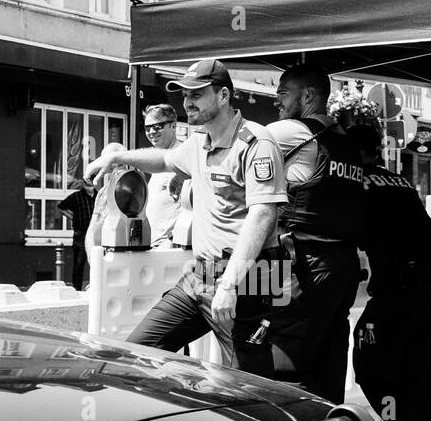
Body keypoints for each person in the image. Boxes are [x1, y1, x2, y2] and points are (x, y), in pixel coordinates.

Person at [84, 58, 288, 371]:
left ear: (223, 96)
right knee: (136, 353)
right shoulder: (199, 142)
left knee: (250, 388)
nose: (187, 102)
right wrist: (117, 157)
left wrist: (230, 285)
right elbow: (164, 159)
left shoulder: (256, 142)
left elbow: (263, 215)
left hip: (249, 277)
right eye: (184, 95)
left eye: (196, 94)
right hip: (203, 274)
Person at [266, 64, 367, 403]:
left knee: (286, 368)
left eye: (282, 93)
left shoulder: (290, 131)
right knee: (330, 364)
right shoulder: (346, 144)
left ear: (307, 95)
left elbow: (232, 150)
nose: (276, 101)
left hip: (302, 265)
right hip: (343, 268)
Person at [349, 122, 431, 421]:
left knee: (370, 358)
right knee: (420, 366)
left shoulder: (358, 182)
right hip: (428, 284)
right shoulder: (398, 180)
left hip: (401, 287)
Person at [141, 105, 185, 248]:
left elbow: (198, 206)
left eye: (158, 126)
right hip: (155, 245)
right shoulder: (162, 157)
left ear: (173, 126)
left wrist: (172, 240)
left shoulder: (182, 156)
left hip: (172, 247)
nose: (151, 132)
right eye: (147, 128)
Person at [57, 178, 95, 288]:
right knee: (79, 264)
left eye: (91, 184)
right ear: (84, 184)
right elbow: (61, 207)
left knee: (96, 262)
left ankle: (95, 287)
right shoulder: (77, 196)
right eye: (87, 184)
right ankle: (77, 289)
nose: (89, 187)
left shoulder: (98, 196)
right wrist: (73, 217)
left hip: (95, 233)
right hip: (81, 233)